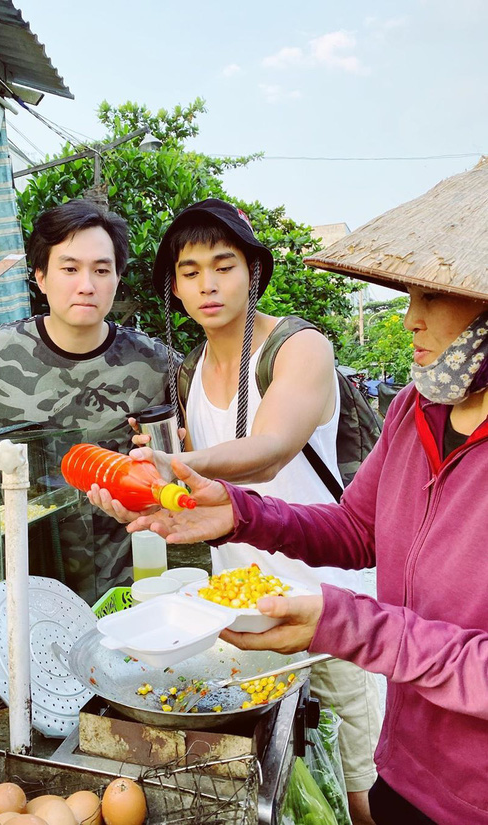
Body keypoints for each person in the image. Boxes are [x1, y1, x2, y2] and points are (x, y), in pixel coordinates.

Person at [125, 282, 488, 825]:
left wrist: (349, 624)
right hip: (406, 770)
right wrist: (241, 515)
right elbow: (359, 528)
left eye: (433, 298)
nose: (411, 318)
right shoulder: (415, 409)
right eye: (411, 296)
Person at [91, 199, 381, 823]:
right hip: (245, 614)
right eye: (190, 272)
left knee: (357, 790)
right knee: (286, 785)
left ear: (253, 271)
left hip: (330, 609)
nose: (208, 284)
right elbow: (203, 491)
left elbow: (269, 452)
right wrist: (139, 490)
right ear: (174, 287)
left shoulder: (297, 347)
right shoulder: (189, 371)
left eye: (224, 266)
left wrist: (176, 468)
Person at [0, 199, 176, 603]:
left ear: (117, 277)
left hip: (126, 580)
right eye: (70, 268)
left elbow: (189, 450)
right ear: (40, 276)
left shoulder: (156, 364)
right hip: (23, 578)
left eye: (101, 270)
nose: (86, 285)